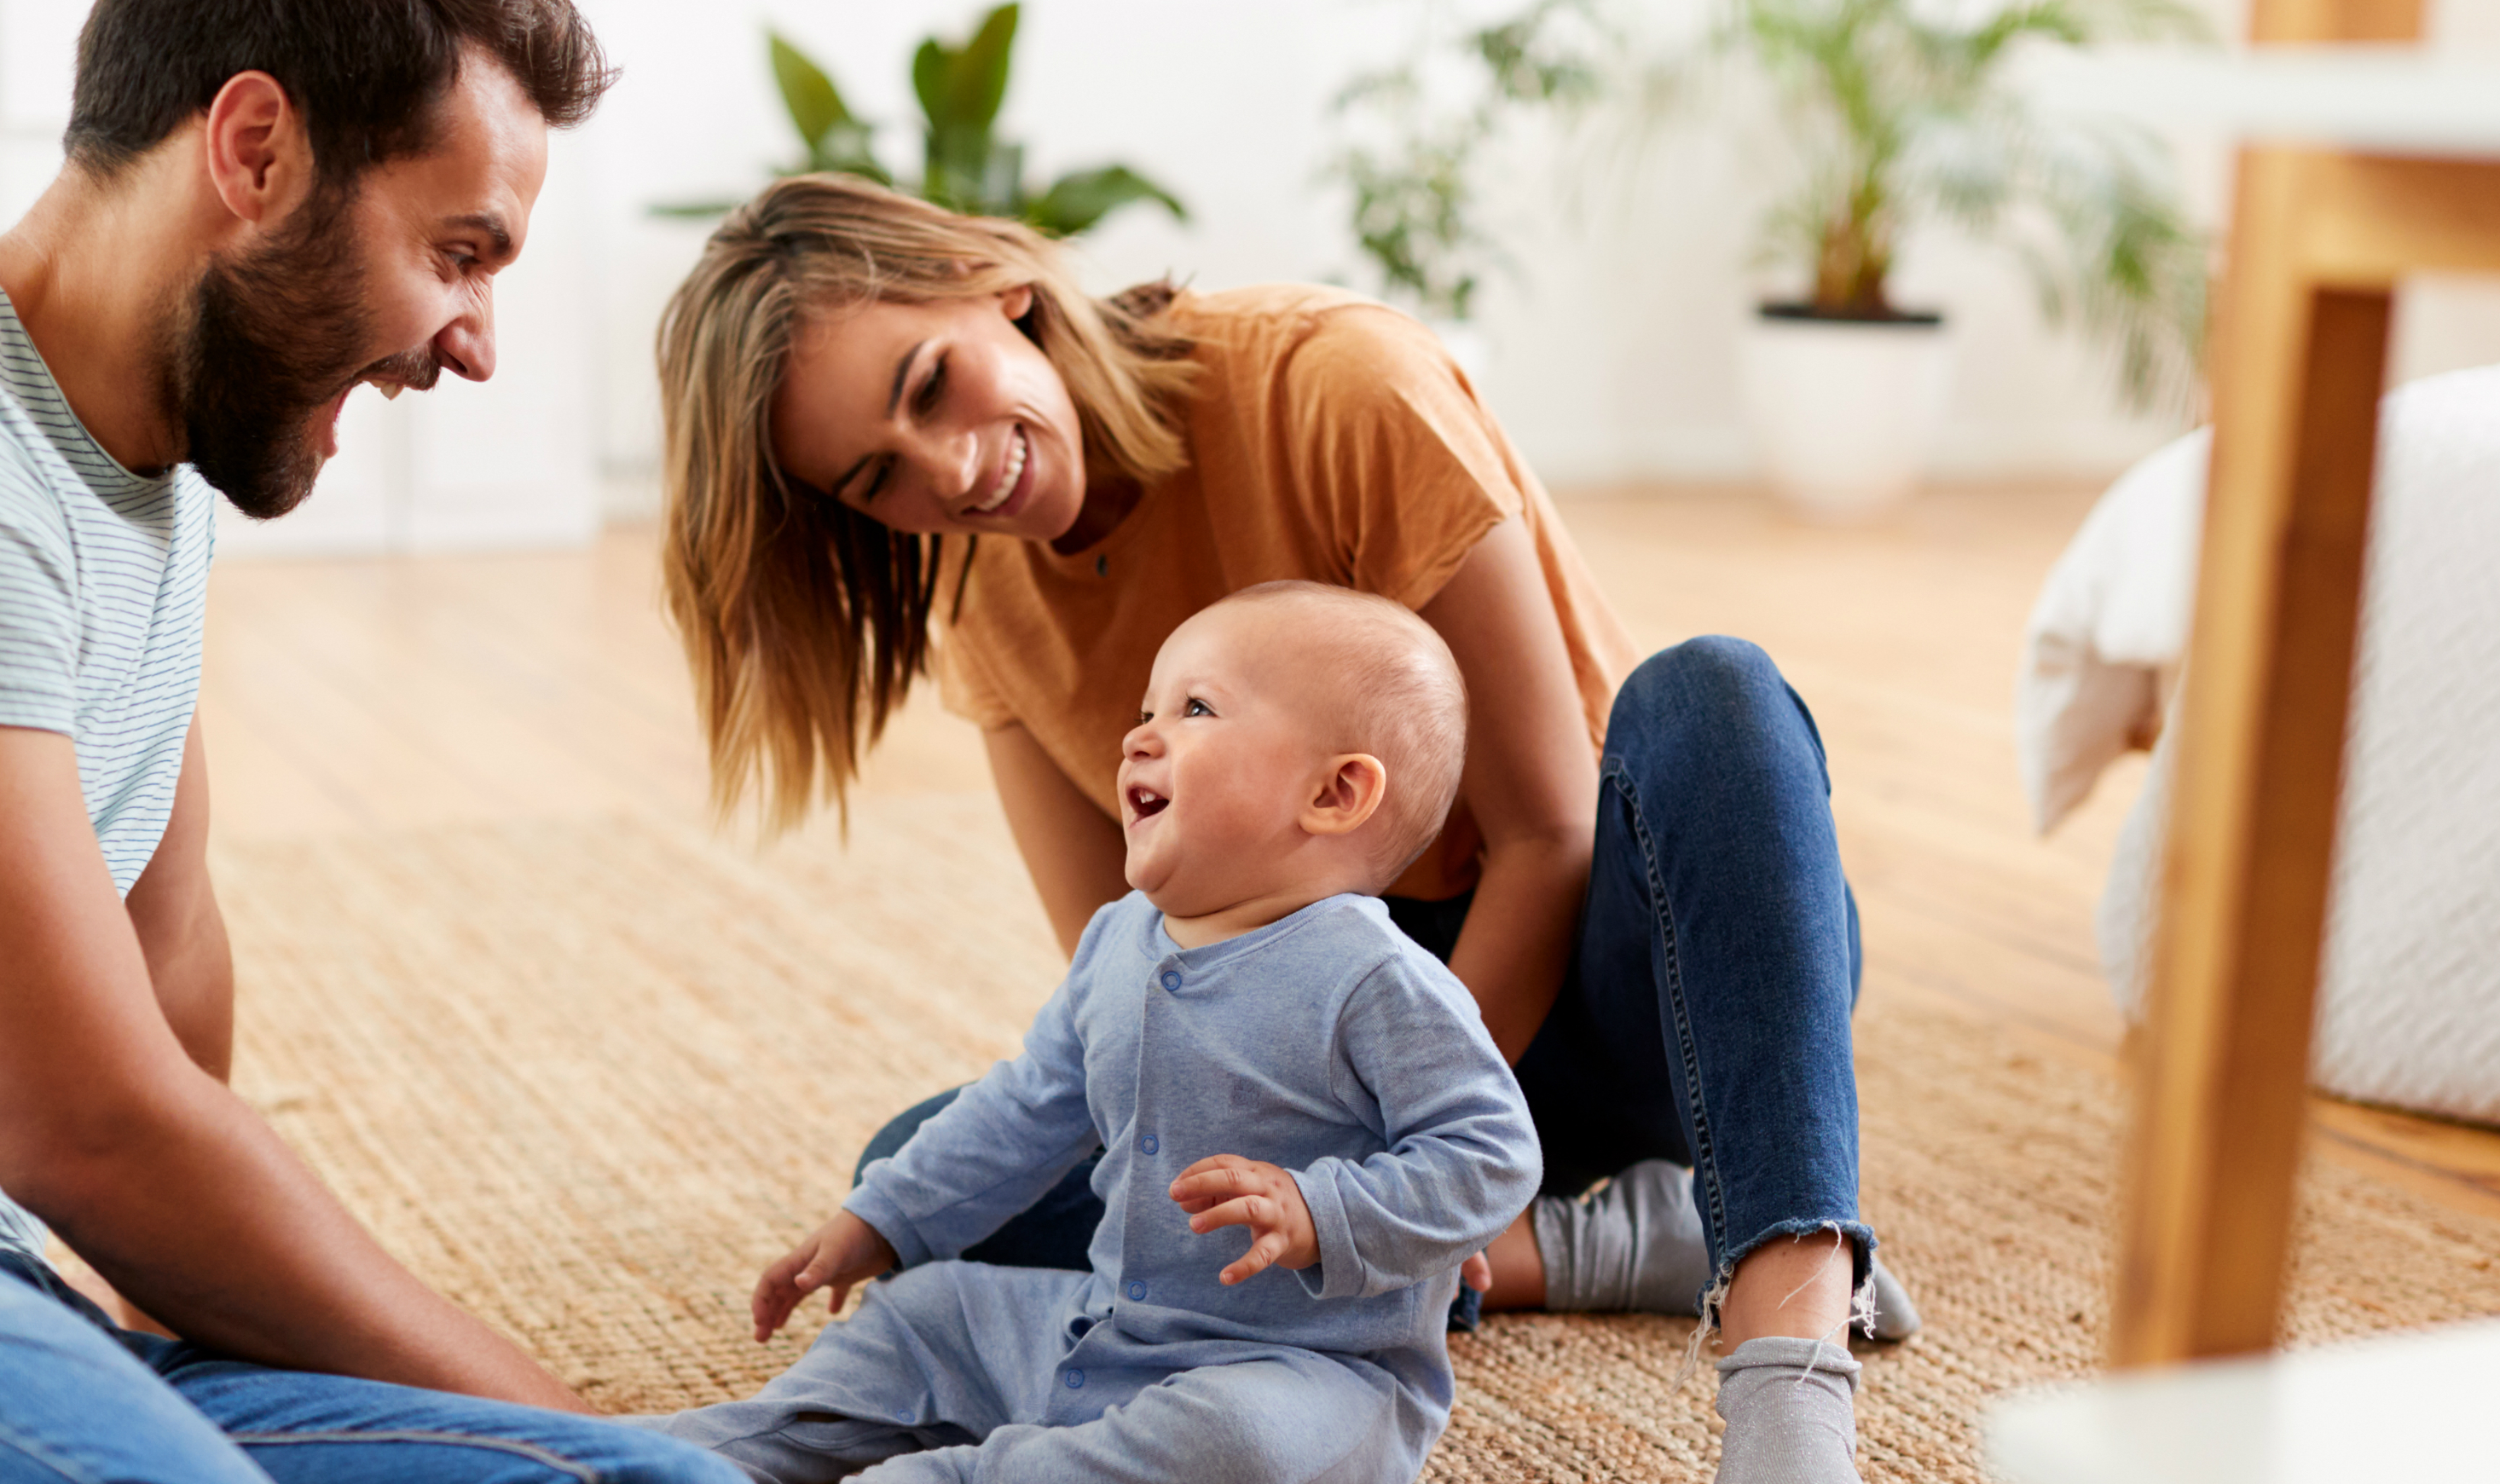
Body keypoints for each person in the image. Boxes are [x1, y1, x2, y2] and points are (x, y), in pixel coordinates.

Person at [657, 175, 1920, 1482]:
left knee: (1715, 693)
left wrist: (1377, 1171)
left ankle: (1785, 1345)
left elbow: (1548, 833)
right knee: (927, 1183)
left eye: (931, 387)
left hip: (1632, 977)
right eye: (881, 479)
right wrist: (1341, 1203)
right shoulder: (984, 600)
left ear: (1001, 289)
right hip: (1334, 1100)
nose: (956, 472)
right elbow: (1130, 982)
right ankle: (1570, 1243)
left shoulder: (1336, 384)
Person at [0, 0, 732, 1480]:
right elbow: (89, 1127)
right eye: (458, 252)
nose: (473, 343)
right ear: (256, 151)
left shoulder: (132, 466)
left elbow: (167, 963)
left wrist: (181, 1322)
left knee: (665, 1479)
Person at [645, 584, 1542, 1483]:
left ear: (1335, 792)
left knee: (1240, 1446)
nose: (1138, 737)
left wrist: (1322, 1211)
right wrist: (884, 1215)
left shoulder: (1372, 976)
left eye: (1195, 709)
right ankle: (735, 1449)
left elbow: (1493, 1152)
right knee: (924, 1310)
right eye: (1146, 709)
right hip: (1105, 1322)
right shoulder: (1119, 939)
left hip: (1309, 1373)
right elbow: (1026, 1108)